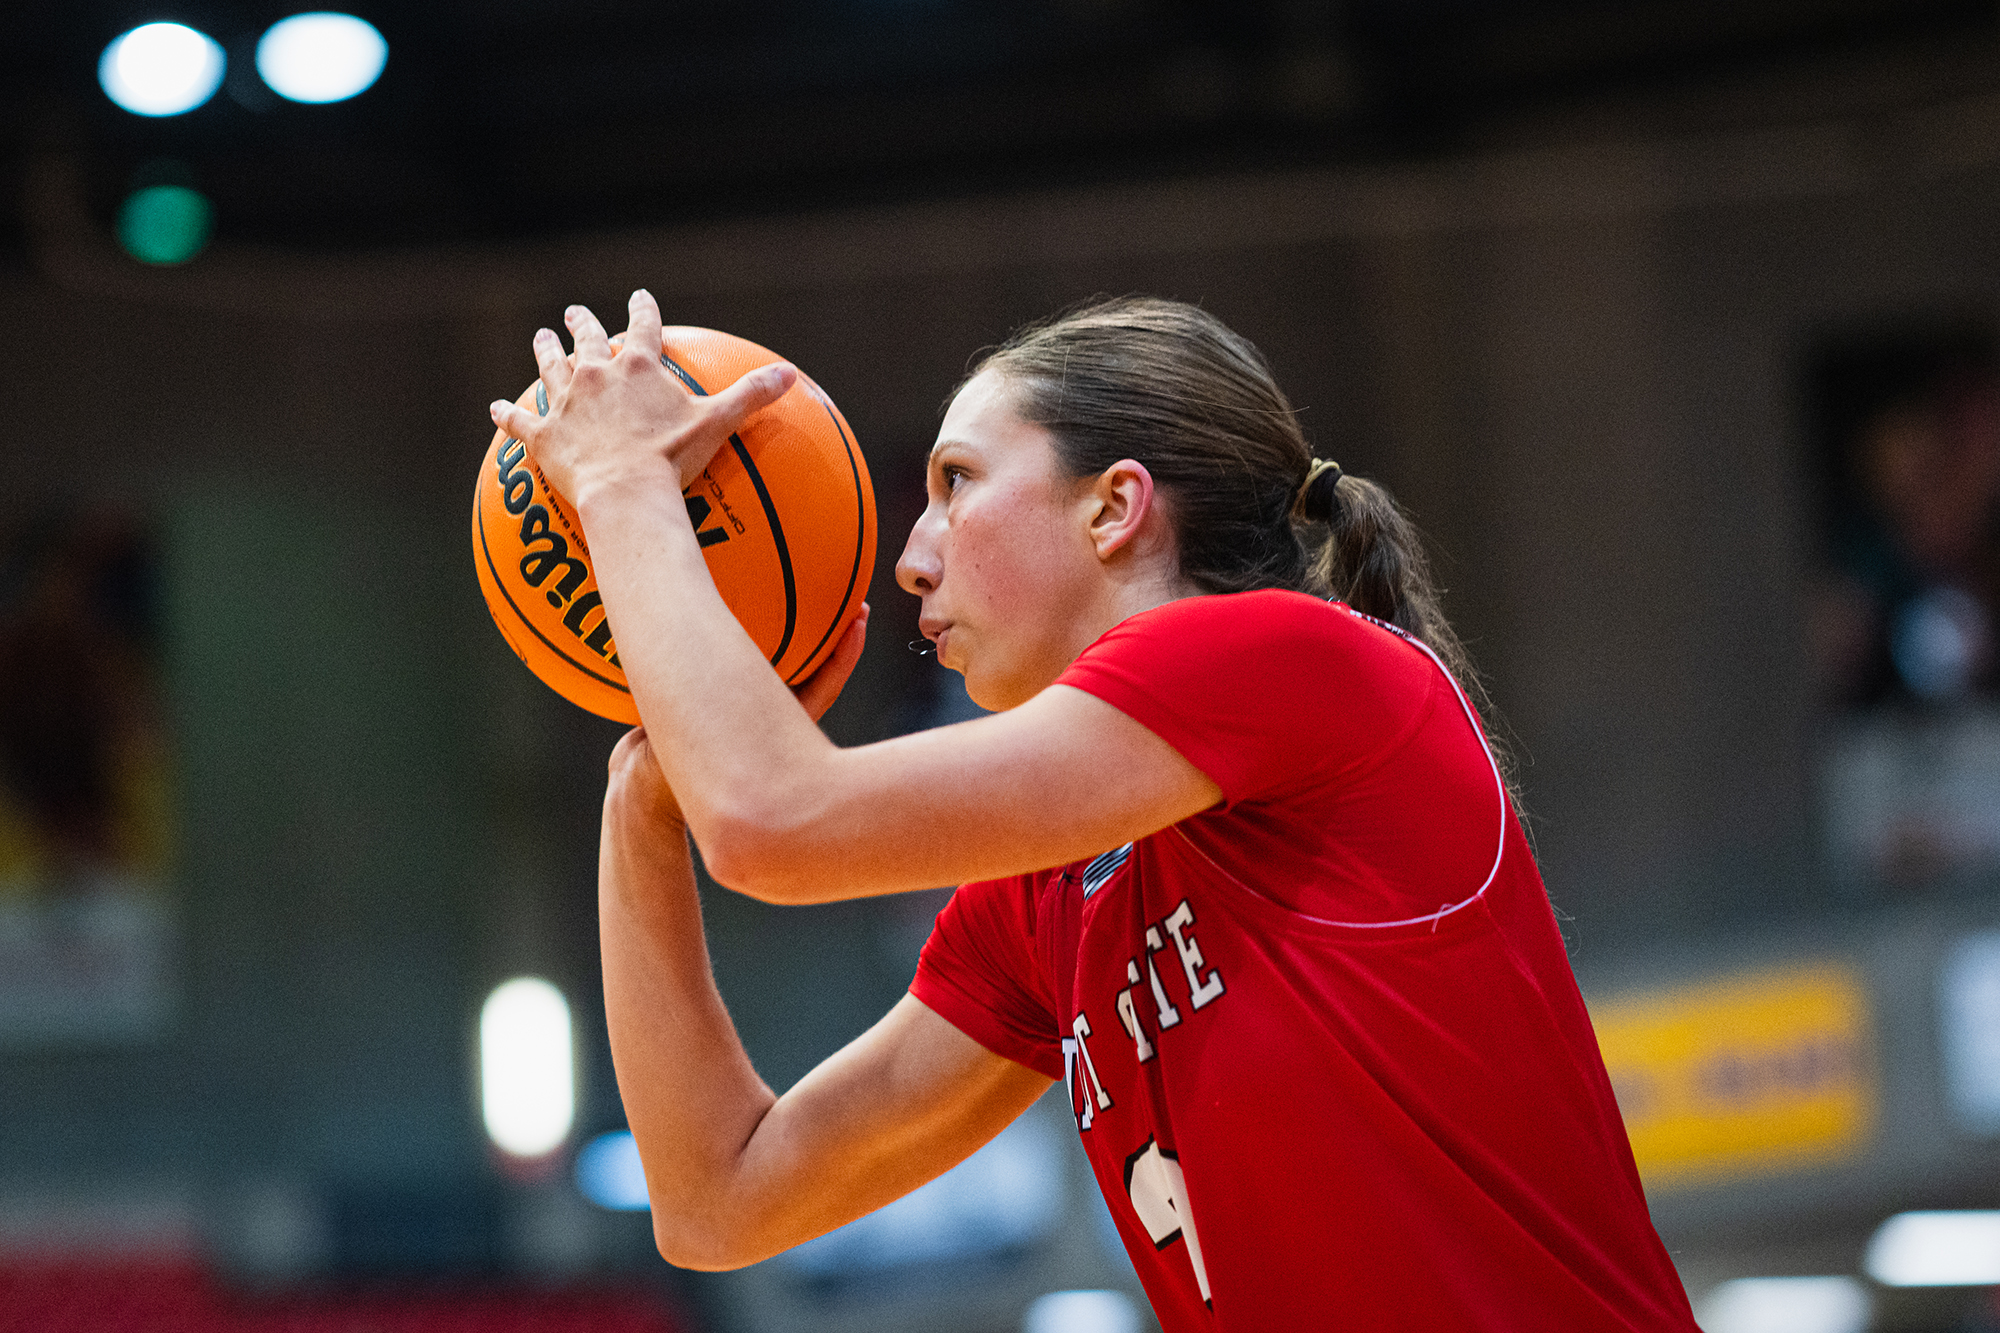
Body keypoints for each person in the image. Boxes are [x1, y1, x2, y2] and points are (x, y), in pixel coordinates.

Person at [490, 292, 1701, 1330]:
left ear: (1114, 508)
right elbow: (718, 1197)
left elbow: (772, 824)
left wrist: (624, 486)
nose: (911, 557)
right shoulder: (1043, 900)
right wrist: (643, 787)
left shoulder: (1295, 661)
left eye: (954, 482)